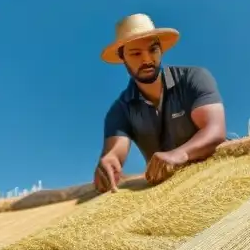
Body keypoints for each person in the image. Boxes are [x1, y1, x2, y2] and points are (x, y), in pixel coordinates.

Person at [93, 13, 227, 193]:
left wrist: (180, 154)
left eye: (153, 50)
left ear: (161, 50)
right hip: (169, 190)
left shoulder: (194, 78)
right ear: (122, 58)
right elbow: (115, 151)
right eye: (136, 53)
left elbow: (215, 130)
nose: (147, 59)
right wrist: (108, 162)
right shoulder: (120, 109)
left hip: (220, 172)